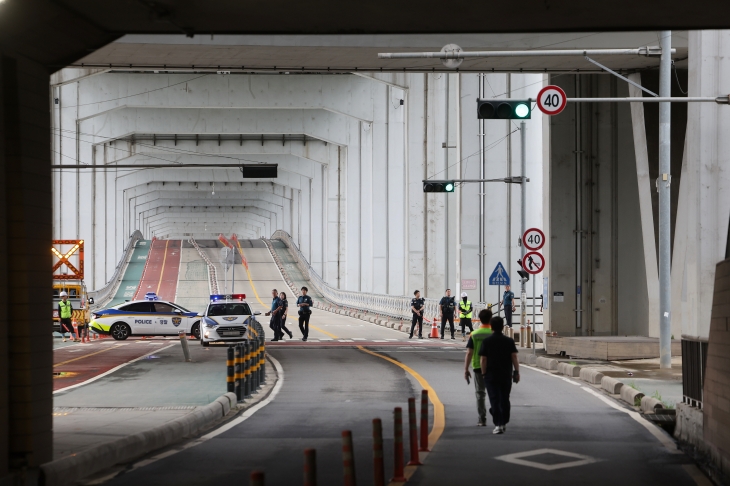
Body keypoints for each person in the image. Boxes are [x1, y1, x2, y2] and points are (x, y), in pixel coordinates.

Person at [479, 316, 520, 435]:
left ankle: (498, 424)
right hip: (506, 374)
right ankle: (504, 421)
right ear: (503, 327)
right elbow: (514, 357)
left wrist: (483, 373)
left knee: (494, 399)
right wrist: (516, 372)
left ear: (491, 327)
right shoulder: (509, 341)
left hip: (491, 375)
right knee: (505, 398)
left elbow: (483, 359)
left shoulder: (487, 341)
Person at [463, 308, 493, 426]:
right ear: (490, 319)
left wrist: (466, 369)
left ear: (479, 319)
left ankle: (482, 419)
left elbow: (469, 353)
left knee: (480, 393)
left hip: (477, 367)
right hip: (493, 367)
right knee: (494, 392)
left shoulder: (474, 334)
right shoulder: (494, 333)